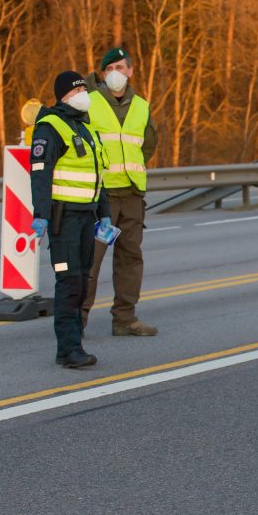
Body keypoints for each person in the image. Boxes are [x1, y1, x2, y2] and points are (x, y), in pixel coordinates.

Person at [30, 71, 111, 368]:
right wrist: (41, 215)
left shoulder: (85, 129)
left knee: (83, 281)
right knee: (70, 283)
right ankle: (68, 349)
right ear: (65, 95)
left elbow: (97, 177)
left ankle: (72, 344)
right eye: (78, 90)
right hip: (63, 219)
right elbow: (40, 174)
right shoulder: (50, 127)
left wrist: (105, 215)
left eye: (83, 90)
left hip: (87, 217)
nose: (83, 95)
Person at [81, 47, 158, 336]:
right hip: (102, 197)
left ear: (131, 71)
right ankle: (77, 322)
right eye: (110, 68)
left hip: (132, 195)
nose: (116, 73)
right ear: (103, 74)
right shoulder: (88, 102)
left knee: (130, 258)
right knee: (90, 260)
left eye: (121, 67)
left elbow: (148, 144)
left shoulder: (141, 105)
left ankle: (125, 319)